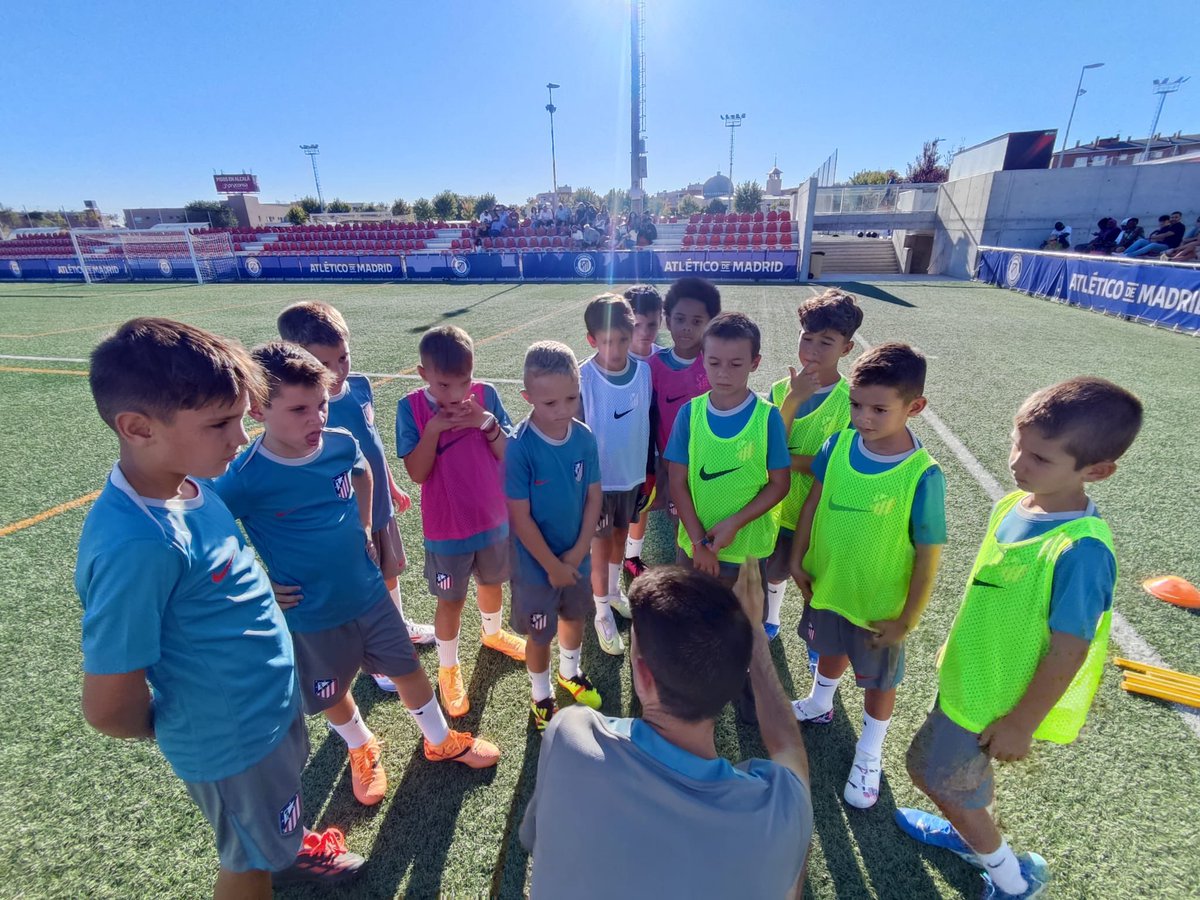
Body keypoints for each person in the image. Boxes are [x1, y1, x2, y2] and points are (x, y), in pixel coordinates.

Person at [77, 319, 364, 898]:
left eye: (239, 418)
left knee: (272, 821)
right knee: (246, 862)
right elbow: (108, 707)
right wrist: (202, 725)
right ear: (137, 427)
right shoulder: (137, 544)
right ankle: (272, 852)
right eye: (219, 424)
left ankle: (287, 843)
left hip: (268, 708)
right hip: (232, 739)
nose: (240, 438)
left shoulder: (193, 483)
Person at [213, 343, 500, 805]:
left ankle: (439, 739)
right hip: (313, 612)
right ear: (259, 409)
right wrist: (259, 585)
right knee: (331, 691)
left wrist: (365, 525)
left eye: (321, 404)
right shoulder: (243, 477)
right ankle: (360, 743)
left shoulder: (340, 443)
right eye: (300, 409)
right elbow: (209, 536)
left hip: (369, 592)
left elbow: (363, 471)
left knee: (408, 668)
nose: (317, 418)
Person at [897, 377, 1143, 900]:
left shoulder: (1081, 551)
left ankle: (1012, 880)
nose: (1017, 462)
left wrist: (1021, 723)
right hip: (970, 677)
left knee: (934, 777)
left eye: (1040, 458)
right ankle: (971, 833)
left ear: (1096, 471)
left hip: (995, 702)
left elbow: (1069, 649)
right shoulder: (1015, 504)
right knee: (951, 778)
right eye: (1017, 443)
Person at [519, 563, 813, 900]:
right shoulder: (779, 817)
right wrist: (756, 638)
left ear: (644, 675)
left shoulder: (570, 736)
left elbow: (537, 840)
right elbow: (790, 751)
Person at [789, 342, 946, 810]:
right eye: (857, 405)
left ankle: (869, 752)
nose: (863, 417)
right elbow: (812, 502)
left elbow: (928, 556)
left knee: (879, 682)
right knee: (829, 646)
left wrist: (907, 620)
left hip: (879, 607)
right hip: (829, 583)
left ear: (915, 407)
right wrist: (798, 557)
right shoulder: (838, 444)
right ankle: (820, 702)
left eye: (879, 409)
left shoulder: (922, 475)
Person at [276, 302, 435, 680]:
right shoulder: (307, 411)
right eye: (323, 363)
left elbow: (371, 444)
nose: (337, 370)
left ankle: (397, 628)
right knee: (363, 588)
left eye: (343, 357)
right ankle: (377, 657)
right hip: (346, 522)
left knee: (389, 573)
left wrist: (390, 484)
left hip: (378, 507)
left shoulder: (360, 387)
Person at [397, 325, 527, 717]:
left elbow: (509, 454)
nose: (456, 394)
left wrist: (486, 423)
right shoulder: (411, 408)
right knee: (450, 600)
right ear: (424, 375)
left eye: (465, 382)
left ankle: (493, 633)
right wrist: (434, 429)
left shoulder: (486, 397)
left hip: (492, 519)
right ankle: (448, 667)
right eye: (444, 385)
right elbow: (417, 473)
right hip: (447, 528)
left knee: (493, 583)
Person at [506, 341, 605, 731]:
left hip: (576, 557)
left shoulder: (584, 437)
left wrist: (577, 553)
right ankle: (541, 696)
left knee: (574, 616)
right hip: (535, 566)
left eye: (571, 398)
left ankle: (571, 672)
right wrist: (552, 565)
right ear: (527, 397)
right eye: (550, 403)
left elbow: (594, 496)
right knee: (540, 632)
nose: (563, 410)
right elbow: (520, 517)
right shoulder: (519, 447)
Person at [765, 290, 862, 643]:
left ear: (846, 349)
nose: (813, 350)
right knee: (773, 572)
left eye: (826, 342)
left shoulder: (851, 401)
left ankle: (816, 645)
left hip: (821, 516)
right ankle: (771, 619)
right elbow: (768, 448)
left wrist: (785, 461)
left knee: (815, 583)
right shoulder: (780, 391)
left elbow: (834, 466)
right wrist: (793, 400)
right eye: (807, 338)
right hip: (777, 510)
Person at [578, 294, 653, 656]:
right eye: (608, 341)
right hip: (598, 483)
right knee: (600, 544)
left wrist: (649, 470)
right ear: (592, 339)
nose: (617, 348)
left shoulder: (644, 371)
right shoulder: (584, 376)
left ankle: (612, 592)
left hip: (631, 476)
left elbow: (645, 422)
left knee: (620, 536)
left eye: (624, 339)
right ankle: (601, 613)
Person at [648, 277, 720, 535]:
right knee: (680, 525)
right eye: (680, 319)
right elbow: (650, 419)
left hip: (709, 464)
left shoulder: (715, 365)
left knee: (707, 522)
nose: (687, 328)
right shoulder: (654, 365)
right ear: (668, 321)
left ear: (711, 323)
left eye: (696, 321)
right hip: (671, 465)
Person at [621, 284, 665, 580]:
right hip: (620, 448)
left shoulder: (663, 359)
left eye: (652, 324)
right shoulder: (613, 360)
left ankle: (632, 556)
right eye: (638, 325)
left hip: (654, 449)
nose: (646, 332)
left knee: (644, 503)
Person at [1117, 211, 1184, 258]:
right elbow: (1159, 236)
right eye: (1172, 217)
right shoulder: (1168, 226)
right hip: (1160, 244)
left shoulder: (1180, 226)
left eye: (1176, 217)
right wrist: (1153, 237)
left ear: (1180, 218)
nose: (1173, 219)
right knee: (1141, 241)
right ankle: (1124, 253)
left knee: (1152, 245)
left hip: (1169, 246)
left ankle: (1129, 255)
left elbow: (1167, 234)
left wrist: (1153, 237)